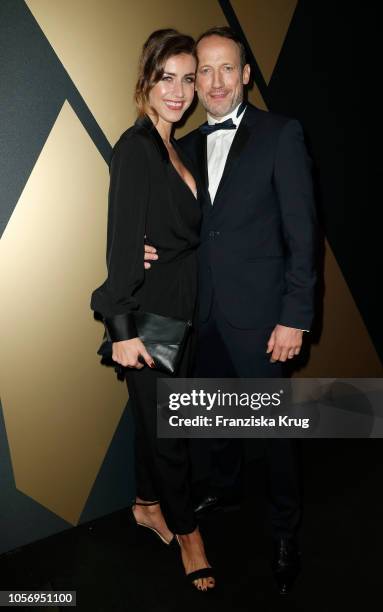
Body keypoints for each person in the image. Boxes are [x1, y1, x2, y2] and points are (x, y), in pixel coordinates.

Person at [144, 26, 317, 594]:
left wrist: (295, 315)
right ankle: (224, 485)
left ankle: (285, 528)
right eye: (204, 72)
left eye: (226, 69)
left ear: (245, 75)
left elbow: (302, 232)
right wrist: (148, 250)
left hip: (264, 318)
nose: (214, 82)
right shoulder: (187, 145)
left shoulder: (280, 134)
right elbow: (189, 230)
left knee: (275, 433)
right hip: (204, 312)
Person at [90, 29, 215, 592]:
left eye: (188, 79)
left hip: (182, 312)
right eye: (169, 76)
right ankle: (191, 536)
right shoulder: (136, 147)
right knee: (172, 438)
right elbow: (120, 246)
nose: (180, 91)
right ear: (147, 78)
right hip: (150, 322)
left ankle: (145, 504)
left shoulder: (175, 147)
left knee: (157, 425)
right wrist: (120, 327)